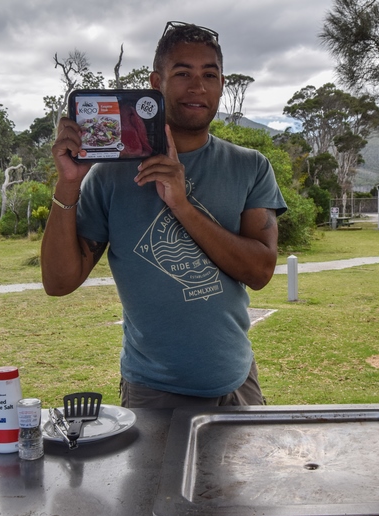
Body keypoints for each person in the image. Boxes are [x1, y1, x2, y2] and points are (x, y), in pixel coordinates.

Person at [41, 21, 287, 409]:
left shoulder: (250, 166)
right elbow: (58, 283)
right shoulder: (109, 174)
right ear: (156, 82)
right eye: (182, 73)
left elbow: (260, 272)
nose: (197, 86)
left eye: (210, 74)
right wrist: (69, 184)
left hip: (237, 383)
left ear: (222, 83)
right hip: (150, 391)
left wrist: (182, 206)